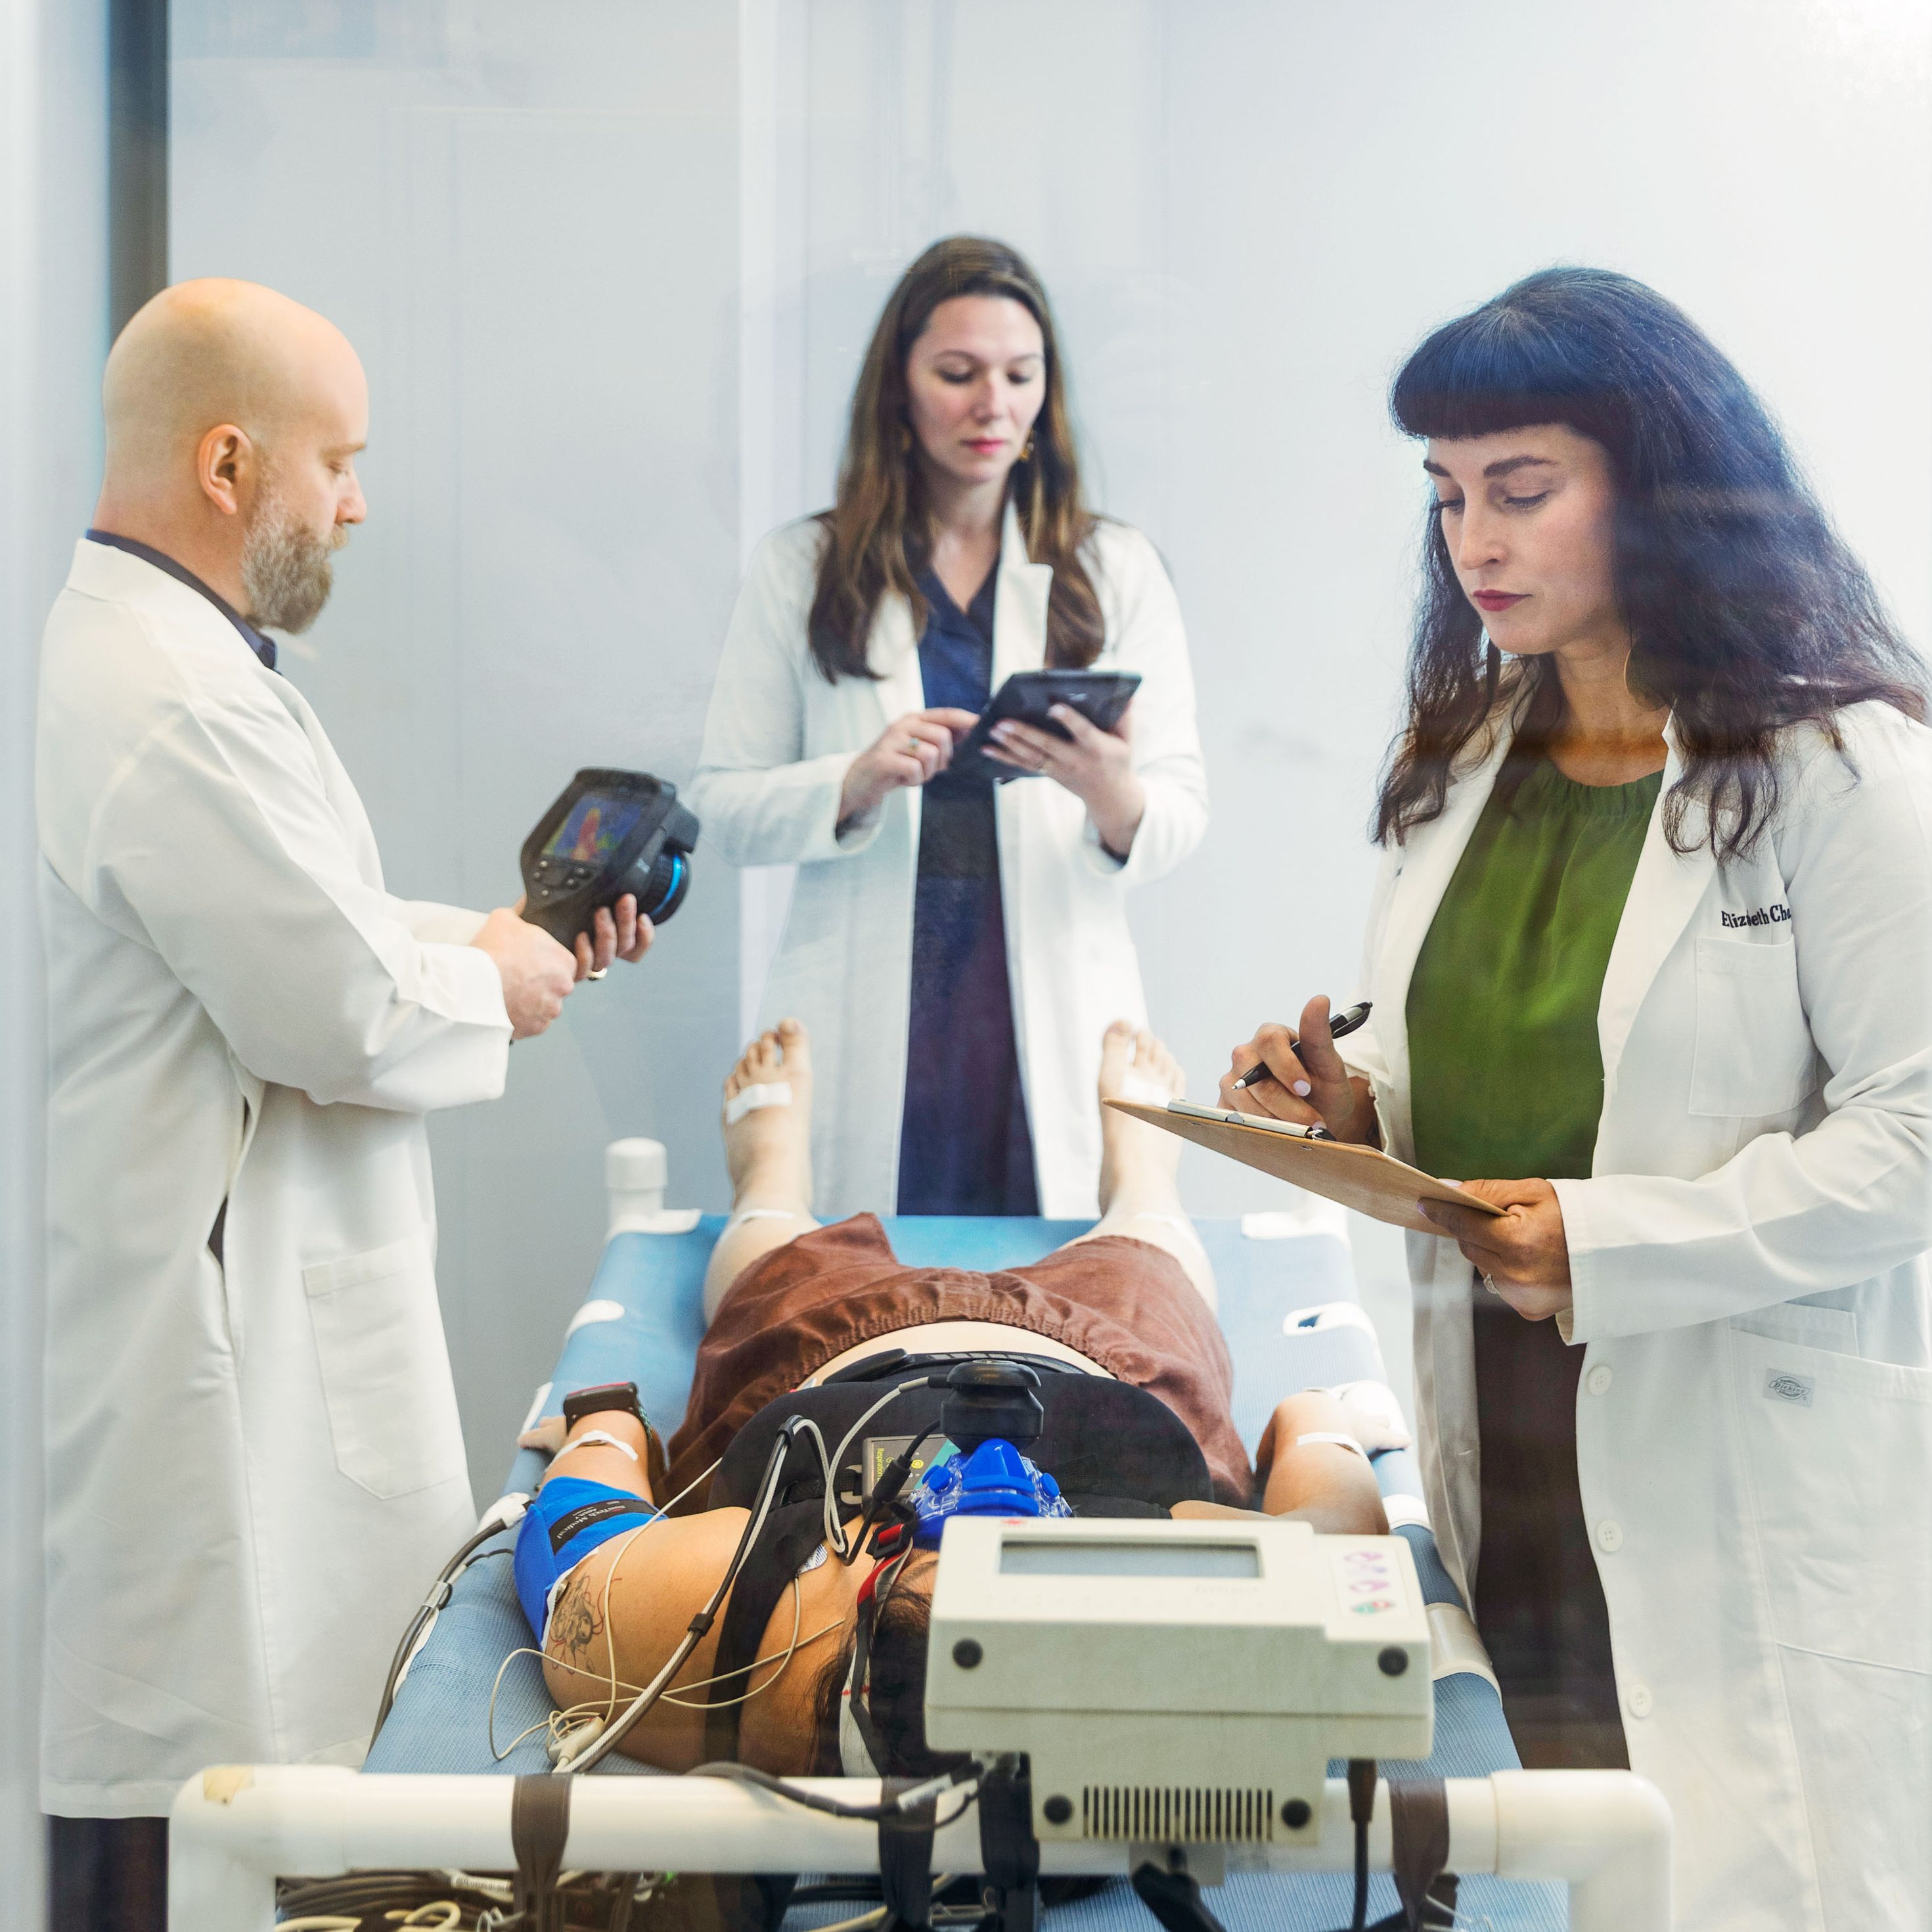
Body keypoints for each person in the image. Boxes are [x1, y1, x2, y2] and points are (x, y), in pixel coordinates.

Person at [1223, 268, 1932, 1929]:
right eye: (1449, 496)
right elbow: (1451, 1055)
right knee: (1548, 1865)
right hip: (1510, 1437)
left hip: (1733, 1455)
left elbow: (1916, 1140)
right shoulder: (1465, 758)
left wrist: (1605, 1244)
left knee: (1737, 1878)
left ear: (1661, 483)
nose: (1474, 537)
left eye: (1522, 490)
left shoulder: (1837, 774)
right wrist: (1349, 1110)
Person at [35, 282, 651, 1889]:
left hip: (248, 1300)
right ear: (228, 463)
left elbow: (312, 925)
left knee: (260, 1797)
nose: (358, 502)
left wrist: (503, 941)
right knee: (218, 1808)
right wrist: (502, 983)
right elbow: (339, 1010)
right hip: (219, 1362)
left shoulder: (181, 663)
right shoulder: (169, 701)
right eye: (339, 462)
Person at [513, 1017, 1396, 1785]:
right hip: (1108, 1358)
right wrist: (1321, 1418)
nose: (992, 1491)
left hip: (833, 1347)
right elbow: (1337, 1534)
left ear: (861, 1590)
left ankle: (770, 1177)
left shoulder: (739, 1643)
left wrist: (605, 1420)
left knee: (769, 1265)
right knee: (1149, 1254)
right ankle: (1141, 1179)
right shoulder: (1231, 1629)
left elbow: (578, 1536)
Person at [690, 236, 1207, 1220]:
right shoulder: (801, 568)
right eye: (957, 374)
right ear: (898, 388)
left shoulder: (1116, 568)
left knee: (1054, 1304)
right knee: (870, 1301)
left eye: (1020, 375)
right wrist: (852, 779)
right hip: (880, 996)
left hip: (1046, 1004)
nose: (992, 405)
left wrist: (1109, 791)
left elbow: (1179, 809)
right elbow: (723, 803)